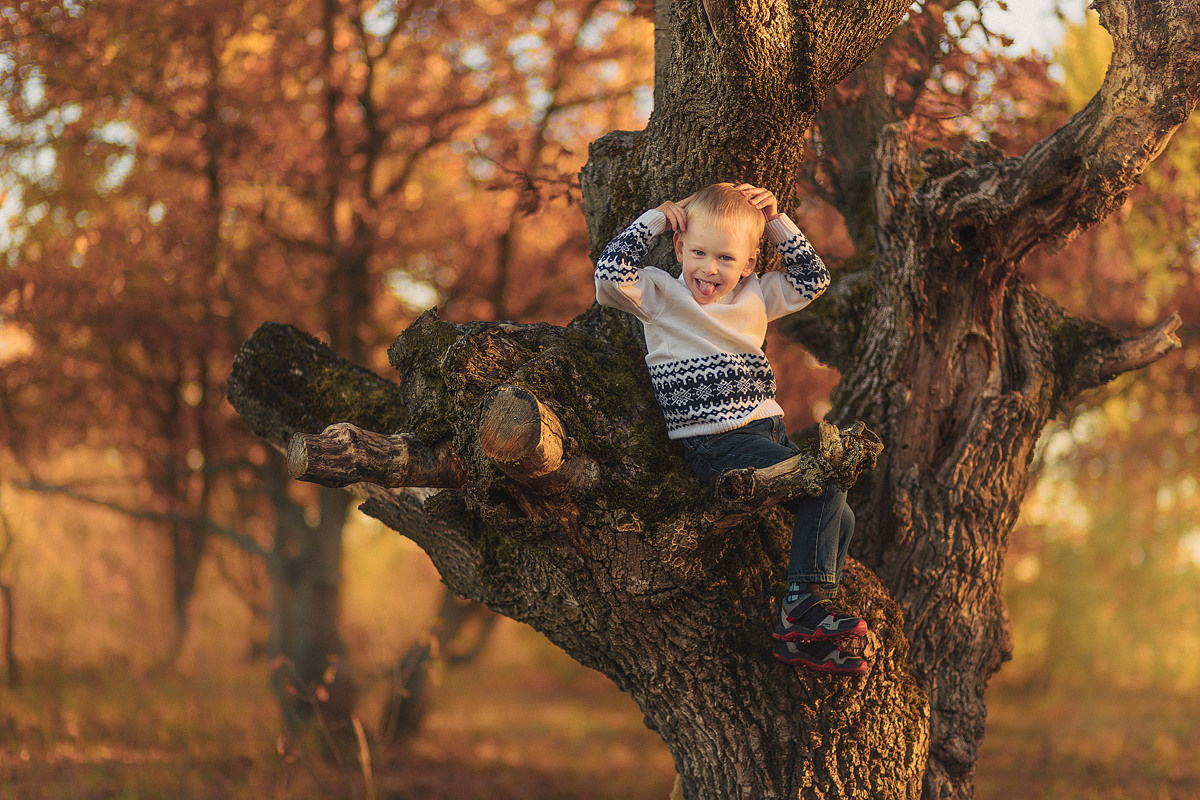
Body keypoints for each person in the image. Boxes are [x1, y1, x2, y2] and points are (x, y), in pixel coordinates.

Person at [594, 182, 868, 675]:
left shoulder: (757, 293)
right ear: (679, 248)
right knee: (823, 488)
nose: (709, 269)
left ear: (748, 263)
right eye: (698, 252)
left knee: (840, 513)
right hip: (713, 442)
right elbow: (611, 275)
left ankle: (804, 623)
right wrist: (657, 217)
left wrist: (778, 221)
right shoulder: (660, 292)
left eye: (725, 258)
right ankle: (800, 611)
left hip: (768, 432)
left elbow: (812, 280)